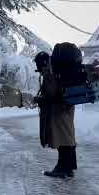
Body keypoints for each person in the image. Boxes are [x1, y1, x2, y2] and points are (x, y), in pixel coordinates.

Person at [34, 46, 77, 179]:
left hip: (59, 110)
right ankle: (69, 168)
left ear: (43, 63)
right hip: (67, 108)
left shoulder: (50, 73)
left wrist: (40, 99)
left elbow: (52, 93)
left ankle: (62, 168)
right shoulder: (59, 71)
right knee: (68, 137)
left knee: (63, 139)